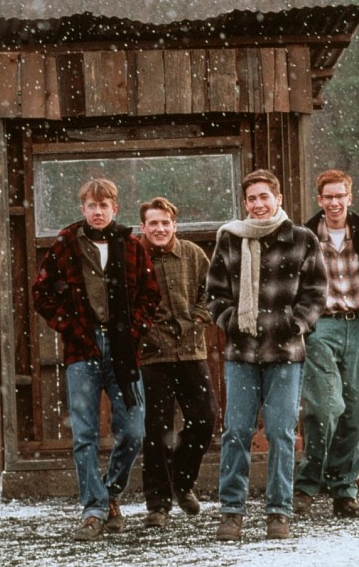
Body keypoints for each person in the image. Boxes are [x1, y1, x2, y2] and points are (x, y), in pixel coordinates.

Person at [32, 178, 160, 542]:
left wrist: (134, 329)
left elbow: (151, 295)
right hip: (82, 349)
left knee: (134, 431)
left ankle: (110, 493)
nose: (98, 211)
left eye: (104, 205)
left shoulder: (131, 245)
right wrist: (71, 327)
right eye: (91, 205)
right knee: (84, 434)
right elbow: (42, 294)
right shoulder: (66, 244)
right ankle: (93, 509)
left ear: (115, 208)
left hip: (124, 351)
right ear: (83, 208)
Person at [206, 169, 327, 541]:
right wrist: (232, 320)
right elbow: (214, 293)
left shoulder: (301, 239)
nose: (258, 204)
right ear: (245, 204)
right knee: (236, 432)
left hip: (286, 352)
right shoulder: (230, 239)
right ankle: (232, 512)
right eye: (251, 199)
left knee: (281, 432)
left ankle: (278, 512)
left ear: (278, 199)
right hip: (241, 353)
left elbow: (316, 292)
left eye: (264, 197)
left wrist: (295, 323)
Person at [294, 169, 359, 518]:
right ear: (320, 199)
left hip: (358, 328)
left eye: (341, 195)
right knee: (325, 408)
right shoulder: (306, 234)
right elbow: (295, 282)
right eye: (329, 196)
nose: (335, 202)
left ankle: (344, 490)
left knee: (355, 412)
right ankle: (308, 485)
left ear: (349, 197)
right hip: (321, 327)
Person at [139, 197, 218, 528]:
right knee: (157, 428)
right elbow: (128, 303)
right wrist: (149, 331)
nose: (160, 229)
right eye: (153, 223)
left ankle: (182, 481)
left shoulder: (192, 254)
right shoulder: (134, 257)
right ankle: (158, 503)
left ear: (175, 225)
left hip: (190, 351)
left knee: (204, 418)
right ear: (143, 227)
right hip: (152, 355)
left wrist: (198, 320)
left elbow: (212, 293)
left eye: (165, 223)